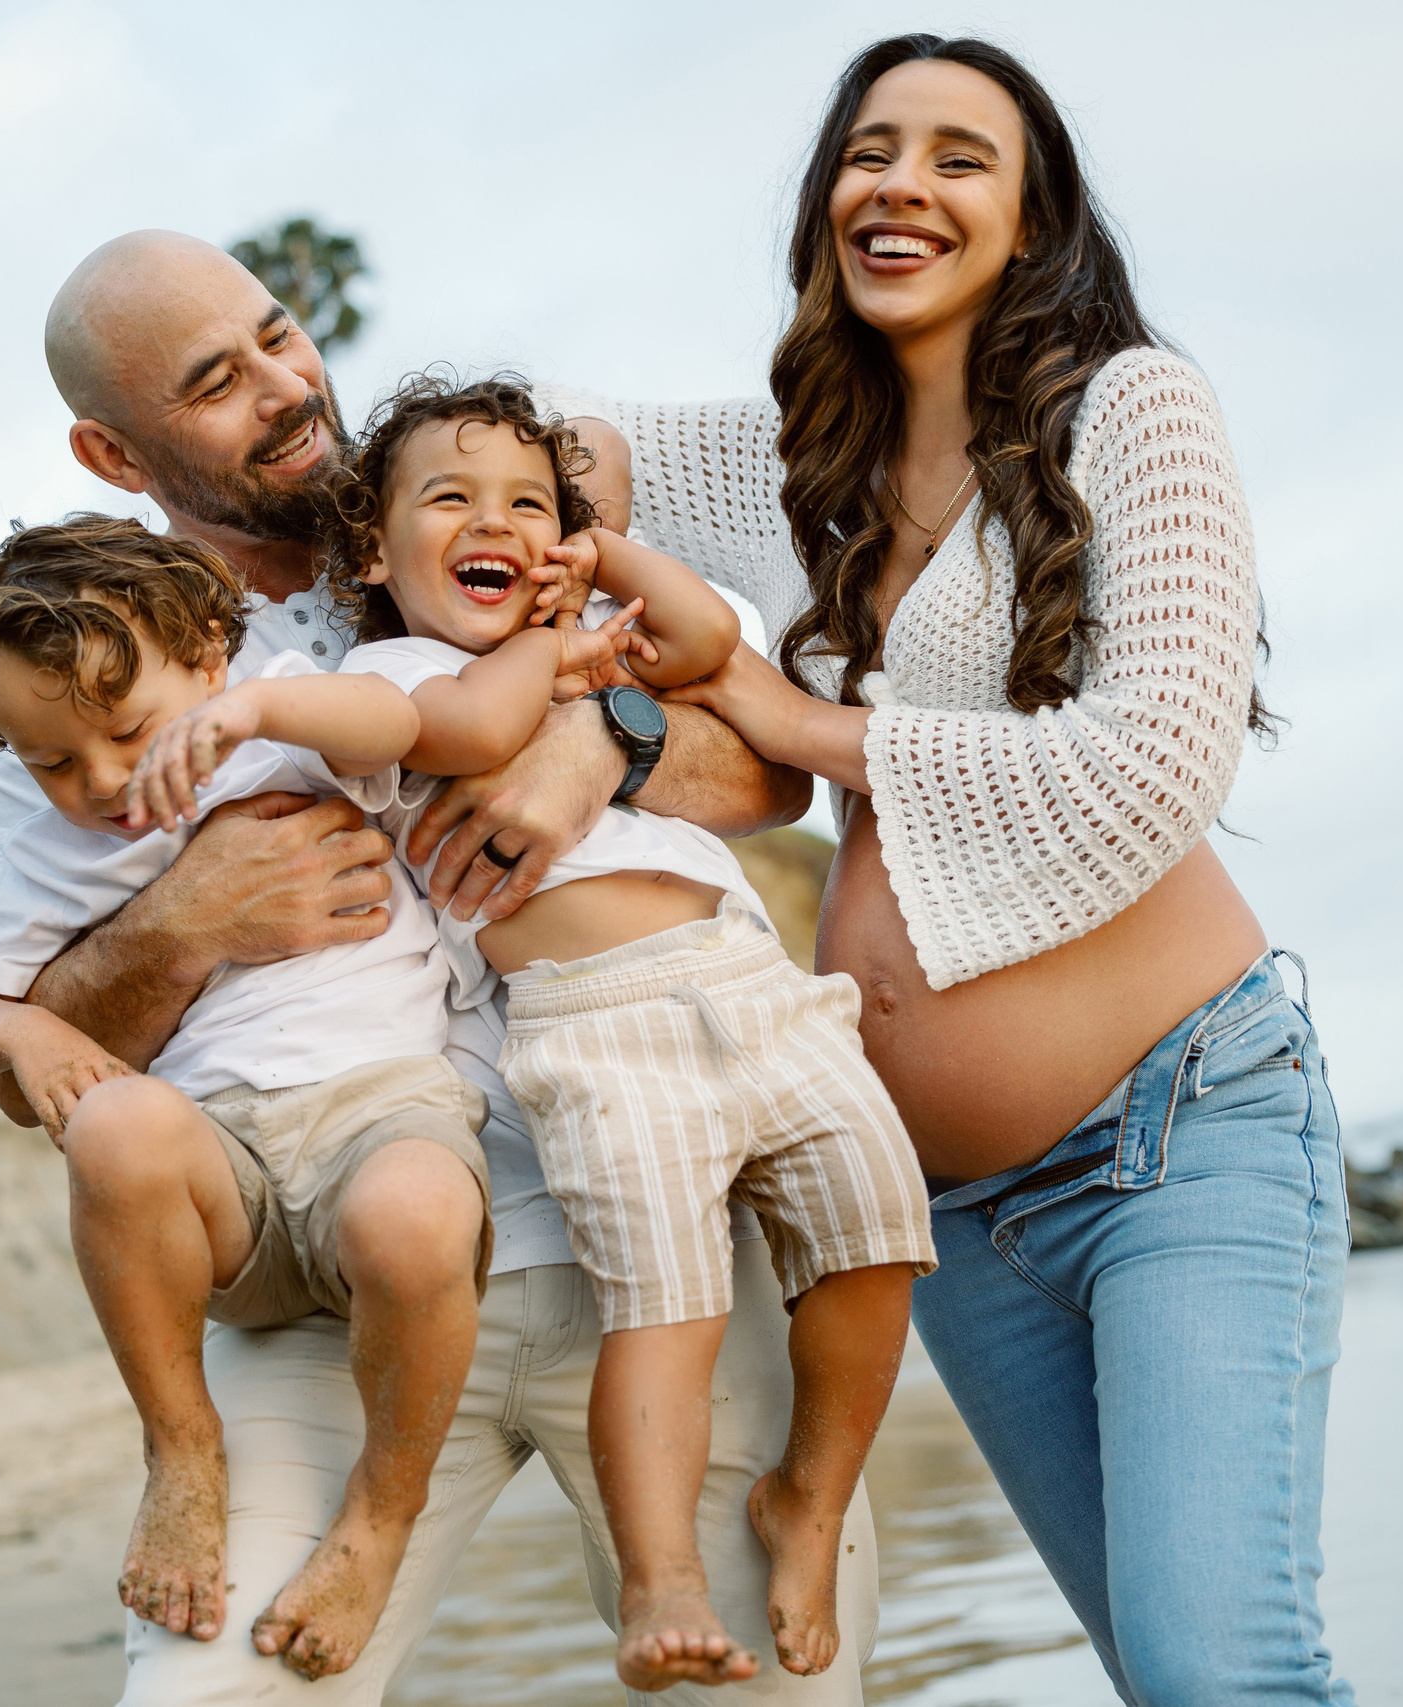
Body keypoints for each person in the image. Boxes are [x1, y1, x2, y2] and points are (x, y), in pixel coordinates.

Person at [545, 34, 1357, 1707]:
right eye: (870, 148)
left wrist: (799, 718)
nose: (901, 182)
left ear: (1033, 216)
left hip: (1182, 1134)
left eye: (959, 156)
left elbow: (1153, 761)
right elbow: (531, 464)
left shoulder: (1135, 407)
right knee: (1165, 1680)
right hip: (960, 1217)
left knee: (1227, 1675)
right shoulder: (797, 463)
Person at [0, 229, 877, 1703]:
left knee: (771, 1682)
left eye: (279, 334)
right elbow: (37, 1069)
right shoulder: (92, 680)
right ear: (112, 451)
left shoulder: (466, 511)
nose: (284, 385)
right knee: (209, 1690)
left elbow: (764, 770)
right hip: (341, 1275)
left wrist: (592, 742)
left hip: (647, 1233)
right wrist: (183, 917)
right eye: (215, 381)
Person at [321, 373, 935, 1686]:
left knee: (878, 1226)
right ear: (375, 550)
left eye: (532, 505)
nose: (502, 523)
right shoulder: (399, 670)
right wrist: (570, 658)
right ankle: (661, 1572)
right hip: (598, 1025)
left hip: (748, 982)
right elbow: (483, 732)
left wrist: (606, 566)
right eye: (453, 500)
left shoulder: (603, 619)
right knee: (667, 1297)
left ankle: (808, 1501)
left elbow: (710, 634)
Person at [0, 517, 561, 1675]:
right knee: (112, 1125)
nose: (102, 783)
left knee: (415, 1217)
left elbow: (404, 720)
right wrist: (19, 1029)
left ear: (213, 657)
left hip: (384, 1115)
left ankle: (380, 1515)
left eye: (127, 731)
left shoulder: (289, 717)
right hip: (222, 1169)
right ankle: (180, 1450)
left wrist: (258, 714)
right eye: (51, 759)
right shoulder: (50, 839)